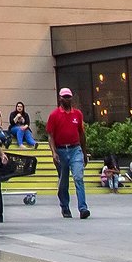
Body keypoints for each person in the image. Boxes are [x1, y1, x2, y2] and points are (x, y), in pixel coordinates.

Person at [46, 86, 90, 220]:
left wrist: (84, 152)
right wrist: (54, 152)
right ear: (60, 99)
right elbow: (50, 135)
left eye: (69, 97)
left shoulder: (77, 114)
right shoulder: (54, 115)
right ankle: (64, 206)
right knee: (63, 181)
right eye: (64, 97)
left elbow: (81, 134)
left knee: (78, 177)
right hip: (61, 150)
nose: (67, 99)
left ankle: (83, 208)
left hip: (75, 148)